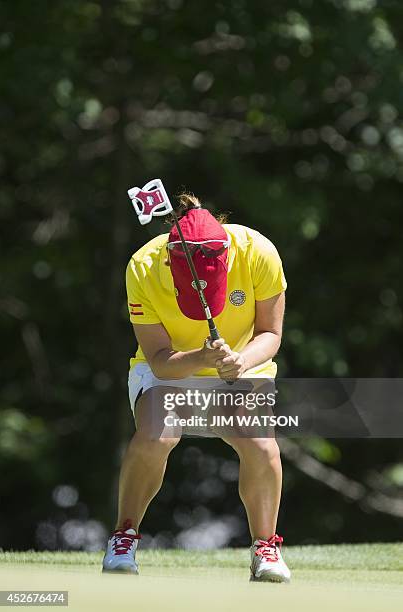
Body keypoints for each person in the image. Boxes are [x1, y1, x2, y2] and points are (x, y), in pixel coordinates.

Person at [102, 193, 291, 582]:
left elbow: (271, 333)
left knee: (260, 442)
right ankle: (124, 537)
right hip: (167, 372)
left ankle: (265, 548)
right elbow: (158, 359)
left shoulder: (258, 252)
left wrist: (240, 360)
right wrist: (200, 360)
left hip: (244, 366)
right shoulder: (143, 266)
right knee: (157, 434)